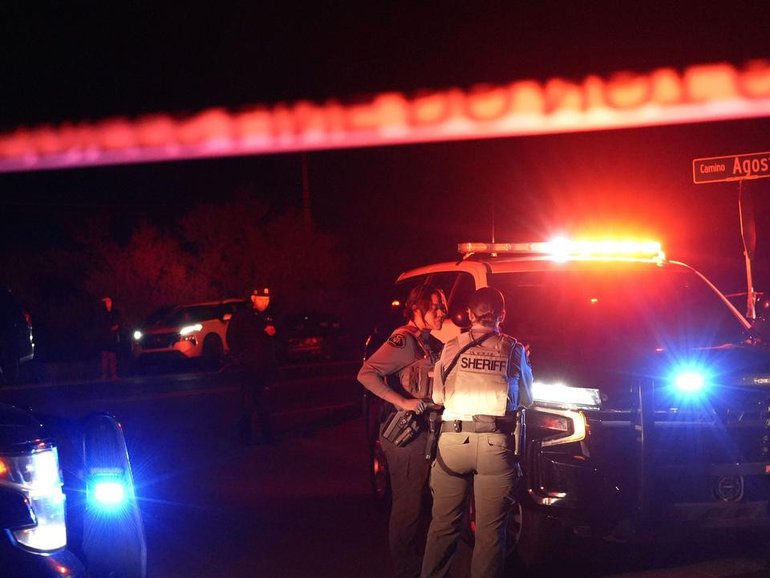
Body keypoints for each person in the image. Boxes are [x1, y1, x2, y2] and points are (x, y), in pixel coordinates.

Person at [421, 287, 533, 578]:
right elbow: (526, 400)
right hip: (495, 446)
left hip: (453, 443)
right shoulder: (513, 348)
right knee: (490, 533)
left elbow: (438, 398)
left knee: (443, 528)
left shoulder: (450, 347)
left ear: (469, 315)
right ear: (502, 315)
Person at [358, 285, 447, 578]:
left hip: (425, 433)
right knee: (408, 508)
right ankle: (406, 570)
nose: (441, 311)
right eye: (434, 306)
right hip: (406, 436)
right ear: (417, 310)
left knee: (421, 504)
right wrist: (403, 402)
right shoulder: (404, 340)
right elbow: (366, 373)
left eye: (443, 305)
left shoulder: (428, 342)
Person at [226, 287, 278, 445]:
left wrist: (275, 333)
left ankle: (267, 435)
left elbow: (277, 342)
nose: (265, 302)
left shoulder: (270, 316)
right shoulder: (242, 317)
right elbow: (232, 338)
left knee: (264, 401)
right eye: (261, 299)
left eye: (267, 300)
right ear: (253, 298)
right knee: (247, 401)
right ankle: (245, 436)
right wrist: (240, 356)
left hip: (264, 366)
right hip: (248, 366)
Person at [98, 296, 121, 380]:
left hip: (112, 338)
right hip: (104, 337)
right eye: (106, 302)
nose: (108, 303)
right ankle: (104, 374)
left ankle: (113, 374)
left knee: (112, 356)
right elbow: (101, 324)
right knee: (104, 356)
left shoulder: (114, 313)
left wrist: (116, 327)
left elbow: (118, 323)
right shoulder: (102, 313)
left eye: (109, 302)